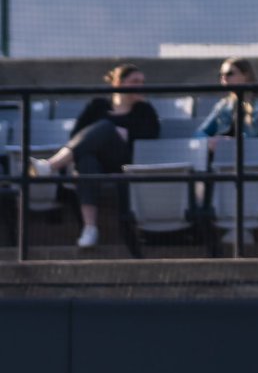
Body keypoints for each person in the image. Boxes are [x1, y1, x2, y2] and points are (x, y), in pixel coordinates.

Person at [29, 63, 160, 247]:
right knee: (86, 159)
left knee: (106, 127)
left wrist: (127, 134)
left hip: (124, 161)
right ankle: (90, 228)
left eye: (143, 81)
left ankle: (49, 166)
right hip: (96, 163)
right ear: (118, 83)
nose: (141, 85)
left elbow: (151, 138)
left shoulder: (145, 110)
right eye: (135, 81)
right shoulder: (97, 105)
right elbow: (77, 135)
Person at [194, 57, 258, 143]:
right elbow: (199, 134)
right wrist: (211, 142)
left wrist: (234, 143)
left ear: (246, 75)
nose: (224, 78)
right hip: (223, 155)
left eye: (229, 73)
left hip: (252, 155)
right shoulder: (223, 105)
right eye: (221, 75)